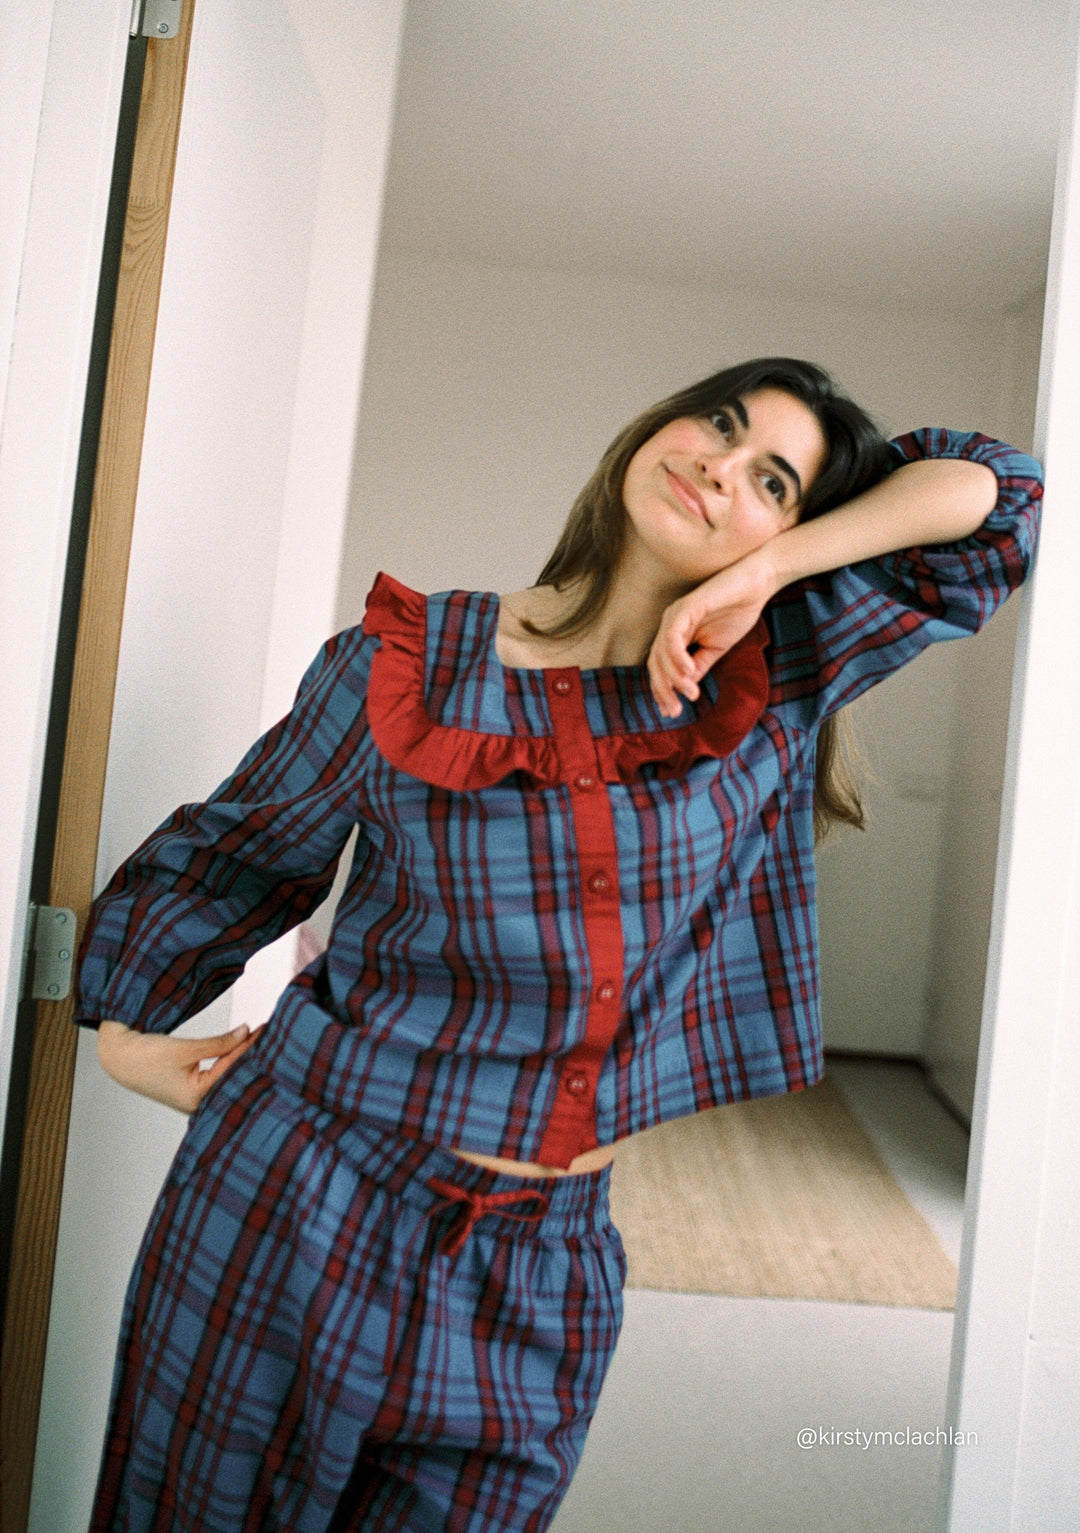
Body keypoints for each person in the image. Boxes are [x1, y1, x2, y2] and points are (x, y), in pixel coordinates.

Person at [76, 357, 1042, 1532]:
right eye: (719, 424)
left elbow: (1005, 496)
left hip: (546, 1263)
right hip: (297, 1201)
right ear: (657, 429)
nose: (720, 467)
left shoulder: (780, 677)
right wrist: (124, 1039)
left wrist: (770, 572)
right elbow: (236, 856)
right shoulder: (406, 662)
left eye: (772, 480)